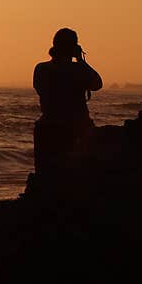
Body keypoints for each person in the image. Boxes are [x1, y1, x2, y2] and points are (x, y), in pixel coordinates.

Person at [32, 28, 103, 183]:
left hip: (47, 127)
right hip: (75, 128)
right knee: (76, 179)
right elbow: (97, 83)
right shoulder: (78, 70)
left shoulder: (41, 69)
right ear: (74, 47)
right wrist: (80, 60)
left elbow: (40, 90)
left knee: (46, 178)